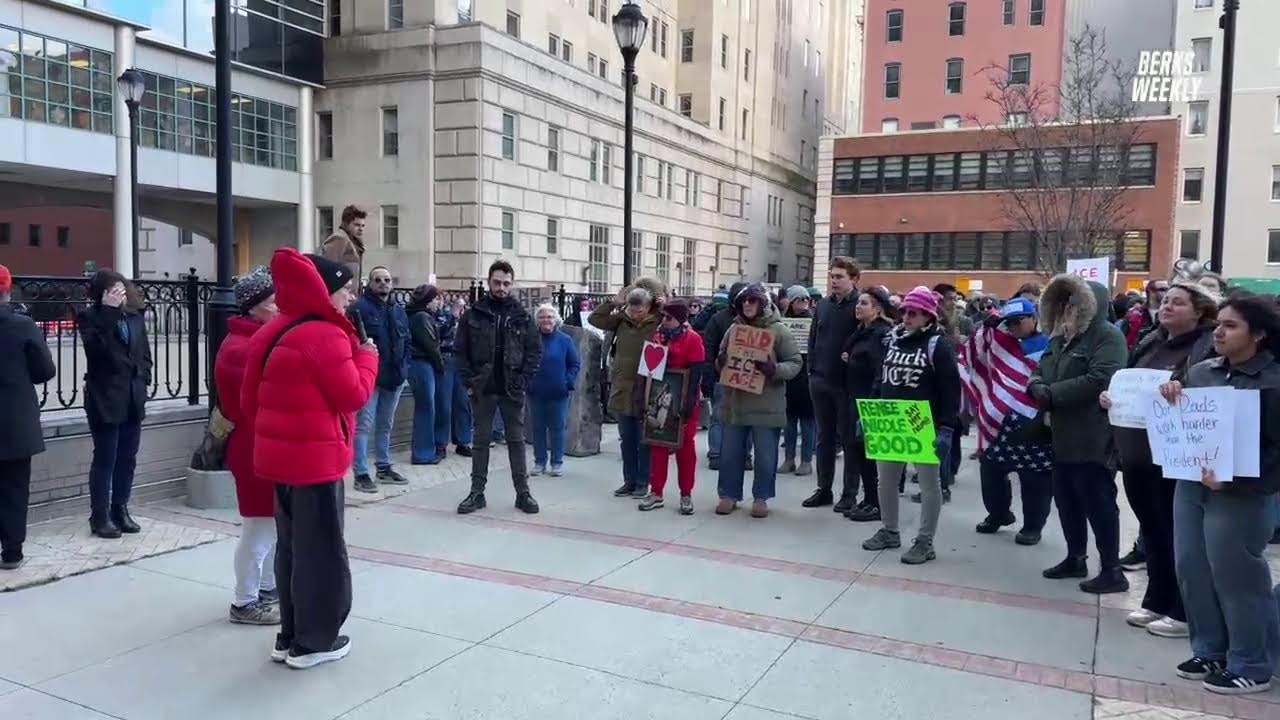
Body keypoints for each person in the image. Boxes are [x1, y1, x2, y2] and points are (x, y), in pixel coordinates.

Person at [240, 249, 378, 670]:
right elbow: (353, 394)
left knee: (292, 549)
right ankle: (315, 642)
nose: (350, 299)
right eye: (345, 291)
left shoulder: (273, 329)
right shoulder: (327, 335)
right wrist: (368, 356)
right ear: (325, 291)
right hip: (316, 463)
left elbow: (249, 402)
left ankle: (290, 634)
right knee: (321, 553)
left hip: (280, 462)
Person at [1159, 292, 1280, 695]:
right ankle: (1211, 648)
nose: (1220, 333)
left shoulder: (1274, 380)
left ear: (1258, 335)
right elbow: (1186, 414)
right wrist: (1173, 396)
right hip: (1192, 483)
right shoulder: (1205, 370)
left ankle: (1252, 662)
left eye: (1231, 326)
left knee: (1238, 576)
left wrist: (1236, 481)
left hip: (1241, 494)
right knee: (1192, 566)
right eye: (1219, 324)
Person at [1098, 282, 1218, 637]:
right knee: (1152, 531)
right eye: (1165, 301)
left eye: (1177, 303)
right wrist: (1112, 397)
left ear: (1199, 311)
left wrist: (1182, 391)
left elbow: (1209, 395)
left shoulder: (1206, 345)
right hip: (1138, 456)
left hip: (1176, 457)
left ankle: (1184, 610)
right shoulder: (1152, 340)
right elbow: (1129, 380)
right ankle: (1156, 599)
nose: (1167, 307)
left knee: (1177, 534)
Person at [1031, 274, 1129, 594]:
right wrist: (1037, 387)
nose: (1067, 308)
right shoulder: (1061, 338)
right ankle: (1075, 557)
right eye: (1063, 302)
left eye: (1073, 301)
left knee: (1098, 503)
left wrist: (1051, 393)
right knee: (1067, 501)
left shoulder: (1107, 336)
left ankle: (1112, 569)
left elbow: (1102, 377)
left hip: (1093, 437)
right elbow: (1038, 370)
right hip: (1061, 437)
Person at [861, 287, 962, 565]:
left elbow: (952, 391)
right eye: (904, 311)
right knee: (887, 481)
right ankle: (890, 530)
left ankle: (925, 541)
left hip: (921, 421)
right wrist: (868, 413)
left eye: (913, 312)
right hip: (891, 418)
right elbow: (880, 379)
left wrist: (946, 429)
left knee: (931, 485)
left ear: (928, 316)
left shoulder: (937, 345)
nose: (906, 316)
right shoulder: (892, 340)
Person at [213, 266, 281, 625]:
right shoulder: (244, 347)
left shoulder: (255, 339)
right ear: (253, 307)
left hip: (261, 444)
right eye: (273, 303)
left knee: (271, 525)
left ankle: (267, 588)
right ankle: (244, 601)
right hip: (253, 446)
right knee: (259, 527)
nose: (279, 308)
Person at [455, 261, 542, 515]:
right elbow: (460, 352)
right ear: (488, 282)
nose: (501, 287)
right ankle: (476, 492)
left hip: (512, 388)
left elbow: (534, 352)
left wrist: (523, 380)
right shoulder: (474, 313)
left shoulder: (522, 316)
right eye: (497, 282)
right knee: (480, 442)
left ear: (511, 284)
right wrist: (469, 382)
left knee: (516, 441)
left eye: (506, 283)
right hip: (483, 388)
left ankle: (523, 493)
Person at [966, 297, 1054, 546]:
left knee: (1034, 479)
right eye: (1008, 322)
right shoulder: (1000, 343)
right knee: (991, 472)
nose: (1013, 326)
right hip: (1000, 422)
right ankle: (998, 514)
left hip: (1034, 422)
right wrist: (988, 327)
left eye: (1018, 321)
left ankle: (1033, 526)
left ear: (1034, 317)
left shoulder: (1050, 344)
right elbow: (975, 357)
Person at [714, 284, 802, 519]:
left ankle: (761, 497)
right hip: (736, 403)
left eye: (752, 301)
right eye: (744, 301)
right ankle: (728, 495)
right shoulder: (734, 330)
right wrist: (721, 361)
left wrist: (774, 369)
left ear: (762, 303)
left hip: (767, 405)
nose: (747, 305)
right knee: (730, 454)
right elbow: (720, 358)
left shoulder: (779, 331)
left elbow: (795, 363)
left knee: (765, 456)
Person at [77, 269, 151, 539]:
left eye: (121, 290)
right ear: (101, 294)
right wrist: (108, 313)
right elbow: (96, 352)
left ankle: (120, 508)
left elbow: (144, 353)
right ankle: (99, 516)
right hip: (105, 398)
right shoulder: (90, 318)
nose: (119, 296)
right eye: (112, 291)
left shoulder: (133, 317)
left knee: (127, 458)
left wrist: (145, 380)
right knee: (106, 457)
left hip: (133, 396)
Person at [0, 265, 57, 570]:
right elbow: (45, 371)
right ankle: (11, 551)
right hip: (15, 421)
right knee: (15, 486)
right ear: (8, 290)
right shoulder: (23, 326)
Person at [590, 278, 666, 497]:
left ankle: (643, 482)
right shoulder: (621, 320)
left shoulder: (659, 321)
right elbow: (596, 319)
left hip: (647, 388)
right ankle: (629, 480)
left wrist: (665, 305)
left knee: (644, 440)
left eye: (638, 308)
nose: (634, 312)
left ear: (649, 305)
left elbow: (683, 322)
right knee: (627, 439)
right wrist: (614, 303)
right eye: (631, 307)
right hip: (623, 389)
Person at [803, 258, 861, 511]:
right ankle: (823, 488)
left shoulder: (861, 306)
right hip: (820, 380)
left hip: (846, 385)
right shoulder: (824, 305)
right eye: (832, 276)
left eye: (840, 276)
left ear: (854, 278)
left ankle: (849, 493)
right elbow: (813, 338)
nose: (834, 281)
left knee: (849, 440)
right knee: (824, 438)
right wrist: (812, 371)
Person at [640, 301, 705, 514]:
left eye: (668, 317)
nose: (664, 321)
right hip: (660, 394)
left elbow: (696, 374)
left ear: (680, 318)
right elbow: (649, 368)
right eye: (663, 317)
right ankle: (656, 491)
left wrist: (689, 401)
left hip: (684, 397)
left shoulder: (693, 339)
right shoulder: (658, 336)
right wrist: (647, 396)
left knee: (685, 448)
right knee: (658, 443)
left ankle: (686, 494)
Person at [350, 266, 411, 493]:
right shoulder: (359, 309)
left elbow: (408, 340)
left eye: (387, 279)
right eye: (378, 280)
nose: (383, 283)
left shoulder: (398, 309)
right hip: (370, 377)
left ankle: (384, 467)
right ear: (370, 283)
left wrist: (405, 367)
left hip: (395, 376)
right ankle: (361, 472)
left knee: (386, 425)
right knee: (364, 425)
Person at [840, 287, 896, 522]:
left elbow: (880, 369)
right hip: (855, 397)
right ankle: (869, 498)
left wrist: (872, 404)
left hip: (870, 401)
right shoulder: (862, 331)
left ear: (877, 309)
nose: (858, 306)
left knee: (870, 454)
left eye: (864, 303)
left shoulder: (881, 334)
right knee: (859, 452)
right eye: (859, 302)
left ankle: (876, 502)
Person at [701, 282, 751, 471]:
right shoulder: (719, 319)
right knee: (719, 417)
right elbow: (709, 348)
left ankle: (743, 455)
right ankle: (717, 454)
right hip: (722, 375)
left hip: (746, 377)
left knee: (745, 417)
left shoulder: (754, 320)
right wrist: (709, 375)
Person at [528, 304, 580, 477]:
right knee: (538, 428)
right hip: (536, 392)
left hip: (558, 392)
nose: (546, 320)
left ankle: (557, 462)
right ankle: (539, 462)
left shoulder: (564, 340)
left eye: (549, 317)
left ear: (556, 319)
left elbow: (574, 363)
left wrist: (568, 381)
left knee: (557, 428)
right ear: (537, 321)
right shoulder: (531, 339)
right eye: (542, 317)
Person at [406, 284, 444, 466]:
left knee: (426, 407)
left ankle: (424, 451)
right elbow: (431, 346)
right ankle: (423, 453)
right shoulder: (422, 317)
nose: (439, 302)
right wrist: (440, 365)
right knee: (426, 408)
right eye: (436, 298)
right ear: (428, 301)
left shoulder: (420, 315)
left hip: (420, 364)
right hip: (421, 364)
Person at [780, 285, 815, 477]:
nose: (803, 304)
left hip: (807, 377)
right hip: (789, 377)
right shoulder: (784, 322)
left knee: (808, 422)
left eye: (805, 300)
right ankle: (789, 459)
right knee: (790, 422)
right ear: (792, 302)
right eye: (799, 300)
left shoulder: (813, 321)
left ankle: (807, 461)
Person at [437, 297, 473, 458]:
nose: (461, 308)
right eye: (458, 305)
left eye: (463, 305)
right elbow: (438, 334)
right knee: (444, 404)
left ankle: (463, 441)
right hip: (445, 359)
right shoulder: (441, 316)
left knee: (462, 403)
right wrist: (452, 317)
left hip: (463, 361)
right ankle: (440, 443)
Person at [319, 205, 367, 280]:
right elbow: (328, 267)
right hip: (341, 289)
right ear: (346, 224)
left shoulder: (354, 241)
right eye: (357, 225)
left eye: (363, 226)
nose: (361, 229)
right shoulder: (339, 239)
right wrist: (341, 277)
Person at [1121, 280, 1168, 351]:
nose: (1167, 292)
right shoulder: (1134, 313)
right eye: (1163, 289)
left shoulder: (1170, 313)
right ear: (1151, 292)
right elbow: (1122, 338)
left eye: (1168, 289)